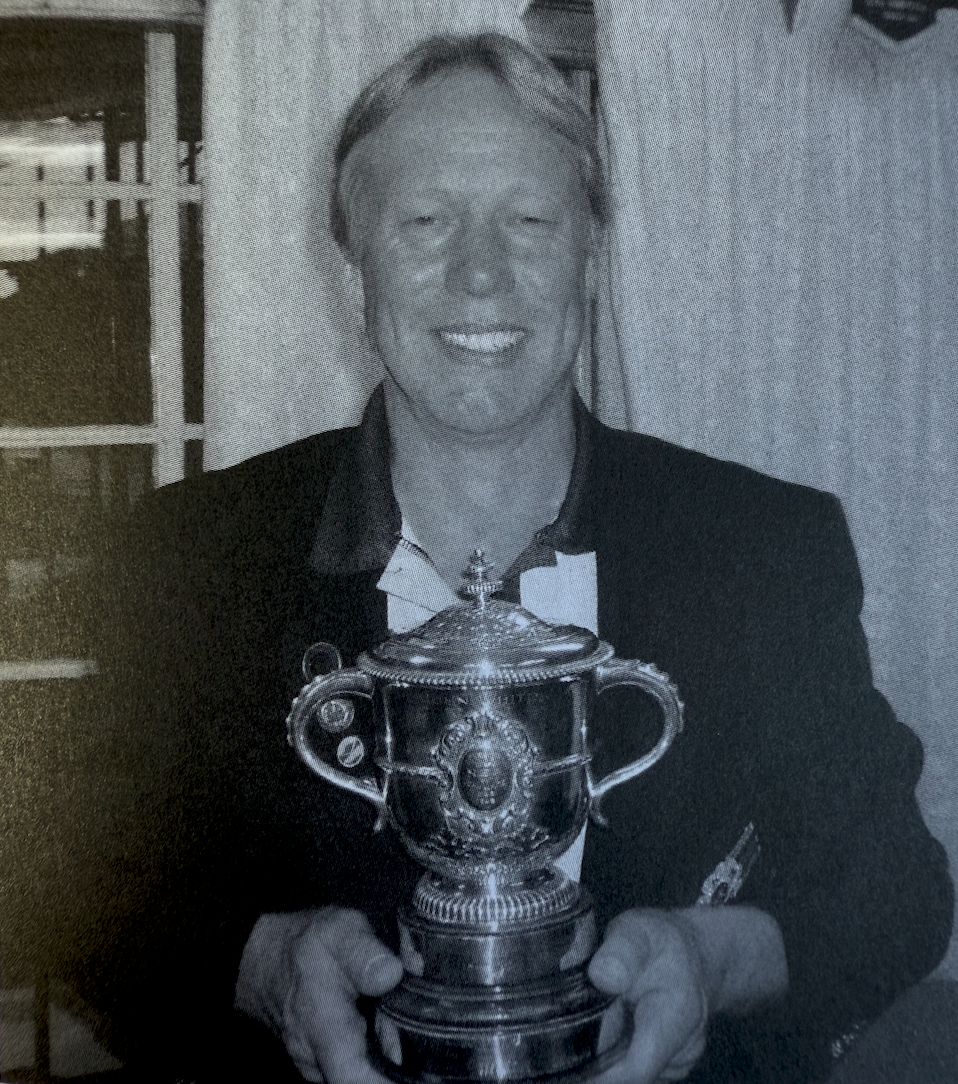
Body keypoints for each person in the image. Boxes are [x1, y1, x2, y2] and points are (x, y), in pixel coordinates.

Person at [88, 31, 952, 1084]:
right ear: (352, 264)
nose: (481, 272)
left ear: (590, 254)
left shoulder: (761, 547)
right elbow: (89, 888)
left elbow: (893, 887)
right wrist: (261, 962)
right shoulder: (190, 557)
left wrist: (711, 960)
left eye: (530, 221)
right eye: (424, 222)